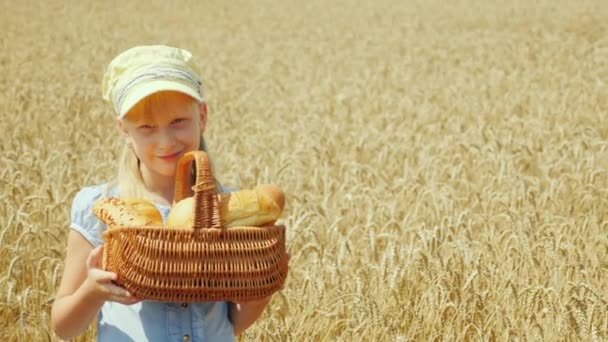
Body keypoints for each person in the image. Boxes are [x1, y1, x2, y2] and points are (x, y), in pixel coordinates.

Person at [51, 45, 277, 341]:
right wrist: (93, 291)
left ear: (203, 116)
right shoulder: (101, 207)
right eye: (146, 127)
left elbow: (235, 321)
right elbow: (64, 327)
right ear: (124, 131)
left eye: (178, 122)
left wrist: (260, 291)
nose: (165, 141)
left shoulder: (227, 207)